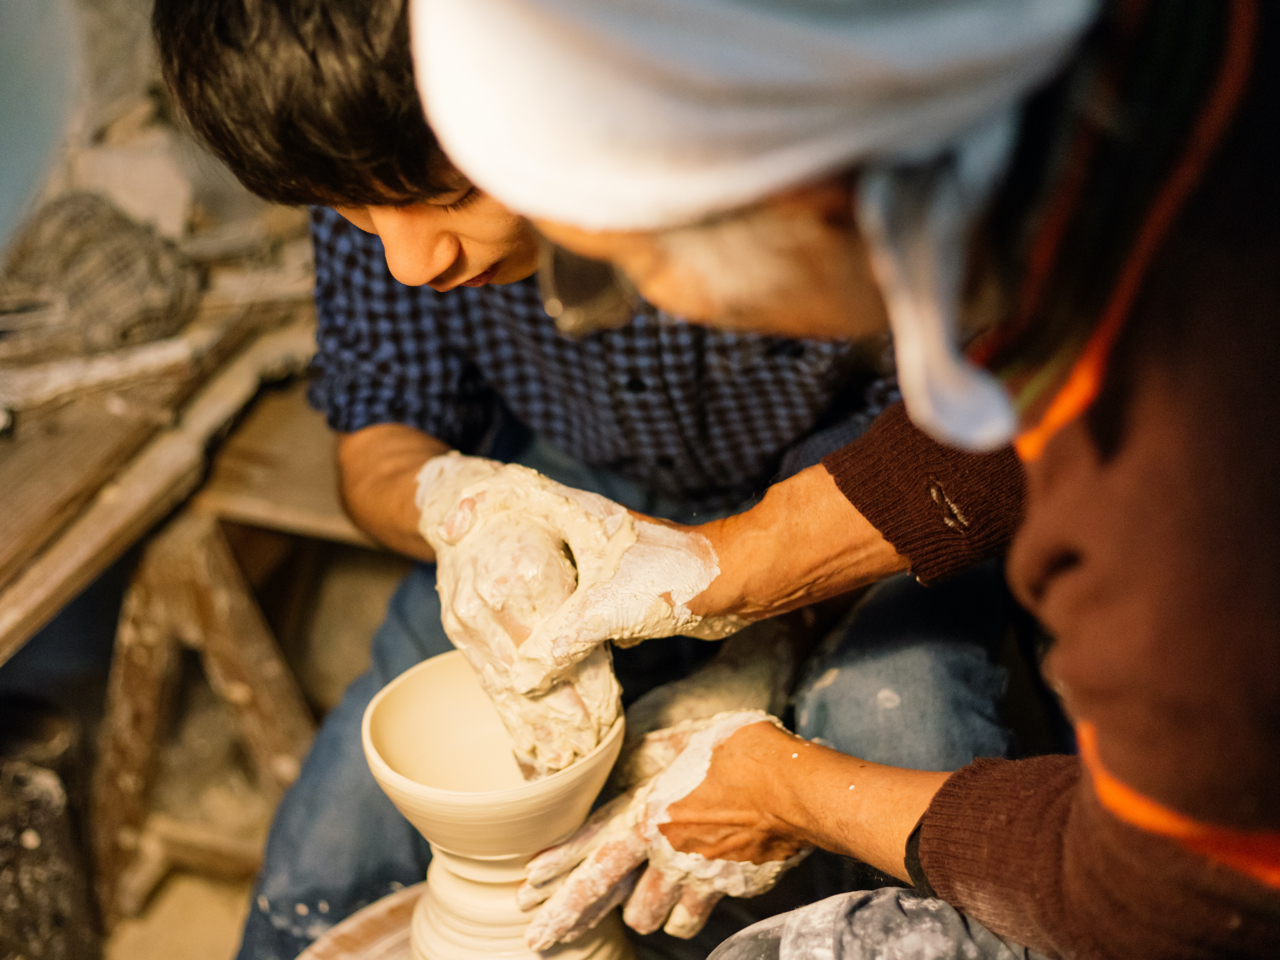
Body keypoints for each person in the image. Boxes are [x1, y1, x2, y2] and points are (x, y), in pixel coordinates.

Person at [151, 1, 1029, 957]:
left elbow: (975, 439)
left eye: (444, 197)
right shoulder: (360, 139)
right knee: (332, 850)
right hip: (573, 479)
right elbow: (376, 433)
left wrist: (754, 633)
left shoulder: (751, 126)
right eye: (354, 213)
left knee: (898, 729)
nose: (410, 261)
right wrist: (466, 511)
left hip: (858, 467)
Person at [410, 0, 1280, 956]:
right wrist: (724, 567)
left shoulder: (1177, 466)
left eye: (628, 264)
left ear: (813, 197)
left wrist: (784, 789)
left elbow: (1172, 897)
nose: (643, 306)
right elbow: (1013, 390)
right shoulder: (1157, 86)